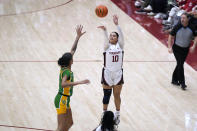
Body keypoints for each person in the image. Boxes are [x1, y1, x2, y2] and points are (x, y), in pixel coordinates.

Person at [54, 25, 90, 131]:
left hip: (66, 99)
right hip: (61, 99)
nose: (73, 56)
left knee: (69, 123)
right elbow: (63, 84)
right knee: (61, 127)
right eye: (72, 57)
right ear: (70, 61)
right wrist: (80, 82)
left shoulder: (65, 66)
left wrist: (77, 37)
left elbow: (73, 49)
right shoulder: (67, 72)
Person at [98, 15, 124, 125]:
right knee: (106, 95)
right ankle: (104, 116)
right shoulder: (106, 46)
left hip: (118, 73)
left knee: (117, 95)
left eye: (114, 36)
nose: (112, 37)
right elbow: (105, 39)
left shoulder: (121, 46)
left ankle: (117, 115)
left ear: (117, 39)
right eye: (111, 35)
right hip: (107, 73)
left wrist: (117, 25)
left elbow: (122, 35)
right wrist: (105, 31)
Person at [168, 13, 197, 90]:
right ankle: (182, 83)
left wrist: (194, 46)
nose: (182, 19)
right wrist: (169, 47)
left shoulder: (192, 27)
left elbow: (196, 36)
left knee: (179, 64)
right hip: (176, 49)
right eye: (181, 18)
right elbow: (170, 36)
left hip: (185, 49)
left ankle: (174, 80)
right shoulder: (177, 27)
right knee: (180, 64)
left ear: (188, 19)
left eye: (184, 18)